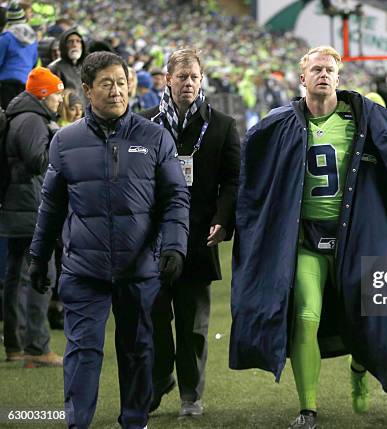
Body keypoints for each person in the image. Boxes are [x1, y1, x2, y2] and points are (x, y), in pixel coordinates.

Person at [230, 46, 387, 429]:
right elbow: (254, 179)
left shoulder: (364, 119)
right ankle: (307, 408)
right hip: (307, 239)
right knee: (305, 317)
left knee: (365, 319)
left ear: (339, 78)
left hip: (354, 239)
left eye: (330, 69)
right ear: (302, 78)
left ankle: (359, 370)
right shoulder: (280, 124)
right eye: (316, 69)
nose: (323, 75)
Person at [28, 51, 190, 429]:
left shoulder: (155, 137)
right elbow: (50, 206)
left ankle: (134, 421)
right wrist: (38, 258)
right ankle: (76, 423)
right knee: (83, 352)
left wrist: (174, 246)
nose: (117, 91)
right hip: (84, 269)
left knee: (137, 352)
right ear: (86, 90)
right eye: (107, 84)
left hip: (140, 270)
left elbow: (175, 198)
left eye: (122, 82)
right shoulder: (64, 142)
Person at [141, 48, 240, 418]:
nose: (188, 83)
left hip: (199, 237)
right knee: (153, 318)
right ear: (168, 79)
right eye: (181, 77)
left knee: (193, 324)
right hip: (152, 238)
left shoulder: (221, 125)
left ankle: (190, 396)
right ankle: (160, 377)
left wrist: (223, 218)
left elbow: (233, 180)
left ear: (201, 80)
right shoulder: (144, 123)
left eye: (194, 77)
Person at [0, 67, 64, 367]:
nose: (59, 99)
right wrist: (57, 138)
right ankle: (36, 347)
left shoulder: (20, 116)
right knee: (41, 274)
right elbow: (40, 162)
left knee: (15, 276)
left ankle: (15, 344)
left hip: (17, 205)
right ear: (43, 94)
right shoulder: (33, 121)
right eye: (56, 93)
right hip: (28, 206)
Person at [0, 1, 38, 109]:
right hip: (25, 83)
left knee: (7, 112)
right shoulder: (33, 38)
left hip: (7, 83)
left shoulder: (6, 38)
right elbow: (34, 62)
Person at [48, 28, 86, 103]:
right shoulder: (55, 67)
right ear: (64, 45)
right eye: (70, 42)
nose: (75, 45)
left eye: (78, 41)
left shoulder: (87, 65)